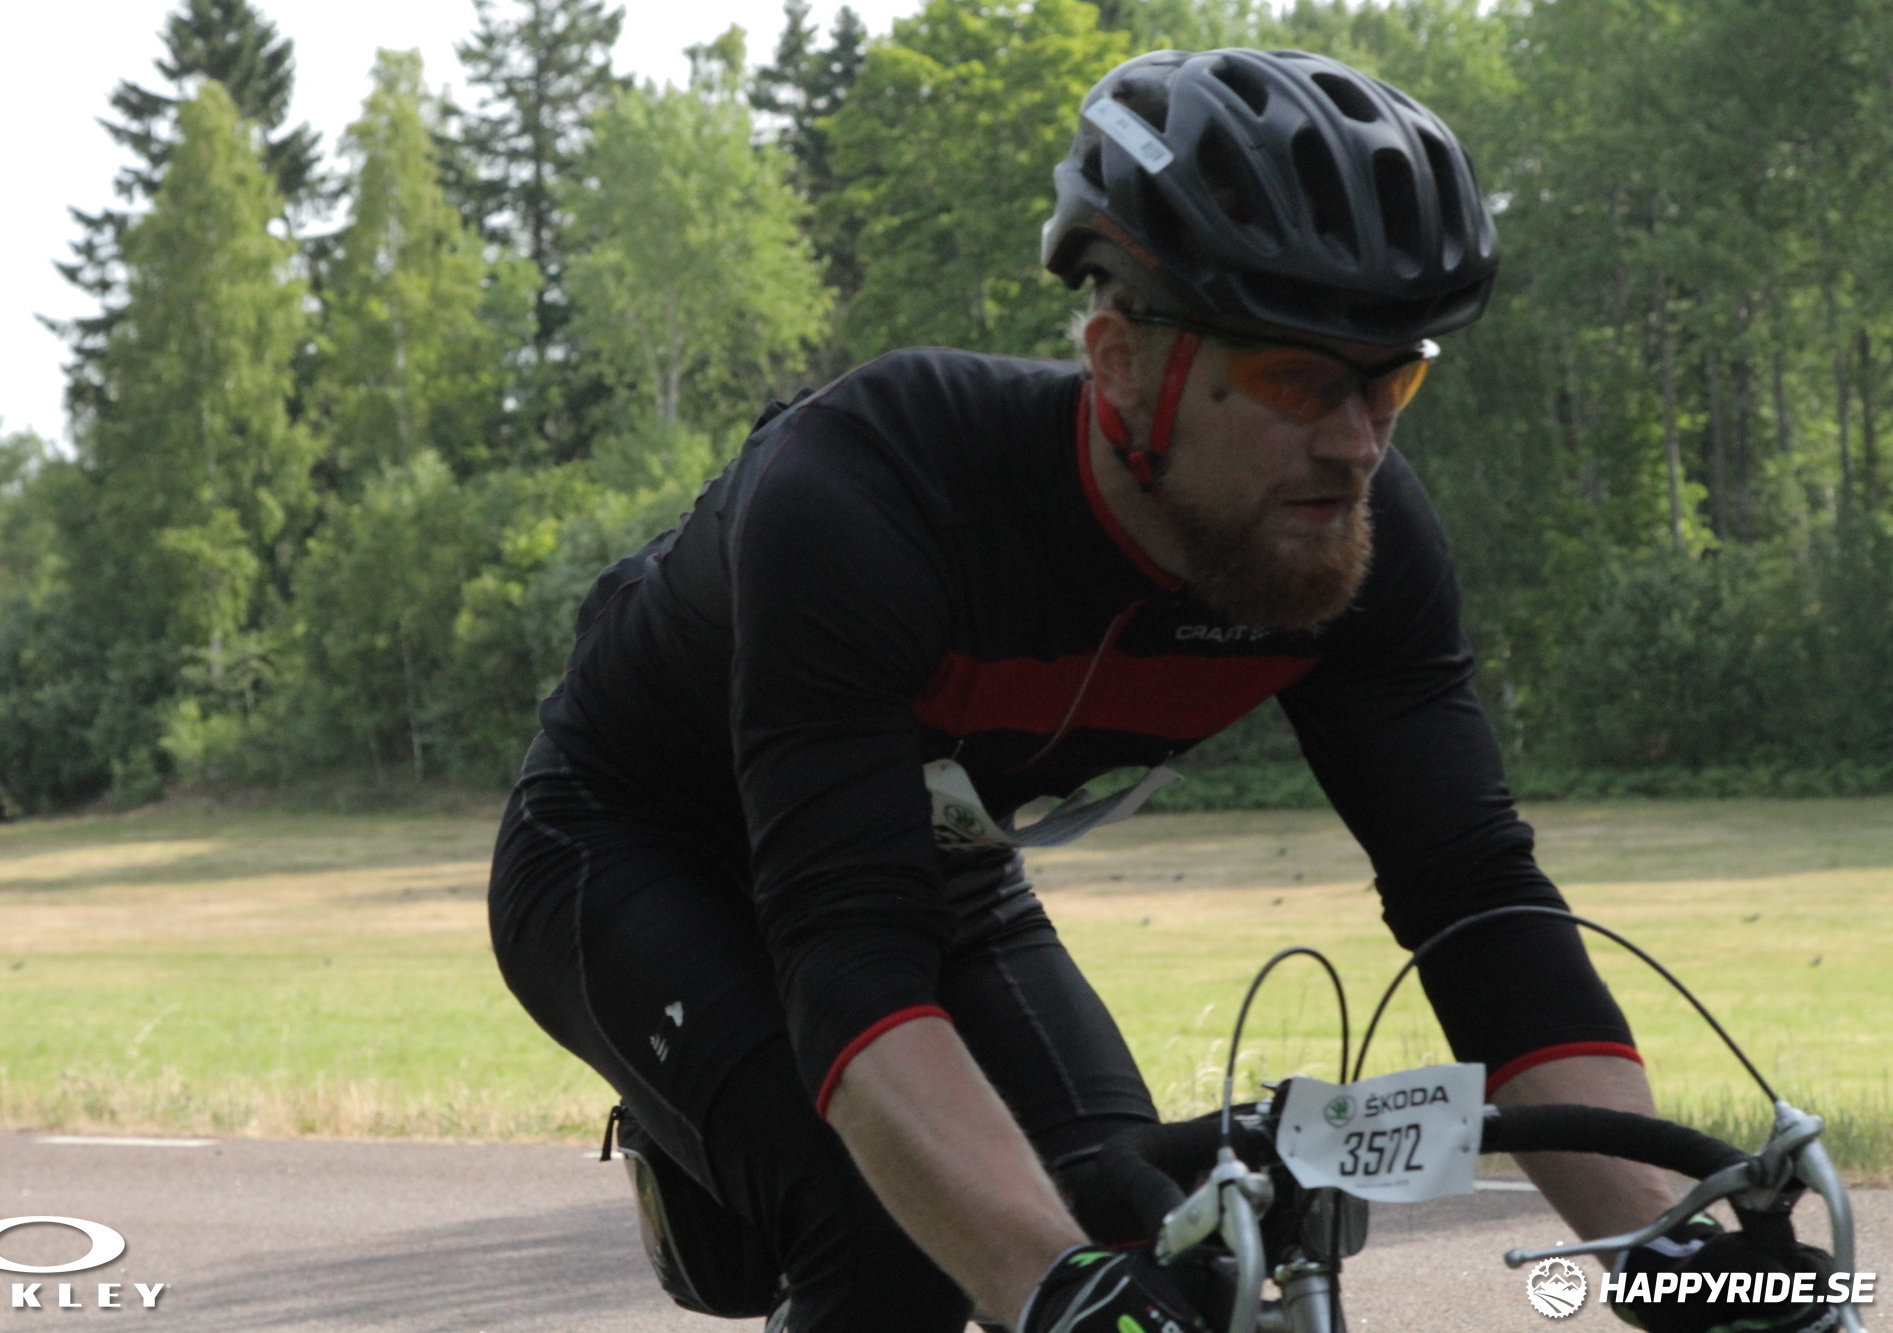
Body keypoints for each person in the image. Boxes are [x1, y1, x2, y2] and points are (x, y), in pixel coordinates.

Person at [489, 48, 1828, 1333]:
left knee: (1160, 1233)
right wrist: (1046, 1286)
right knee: (894, 1223)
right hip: (635, 847)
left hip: (933, 864)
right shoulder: (867, 493)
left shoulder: (1353, 541)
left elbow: (1477, 905)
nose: (1358, 444)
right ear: (1122, 359)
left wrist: (1669, 1260)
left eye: (1394, 381)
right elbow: (849, 966)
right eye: (1300, 378)